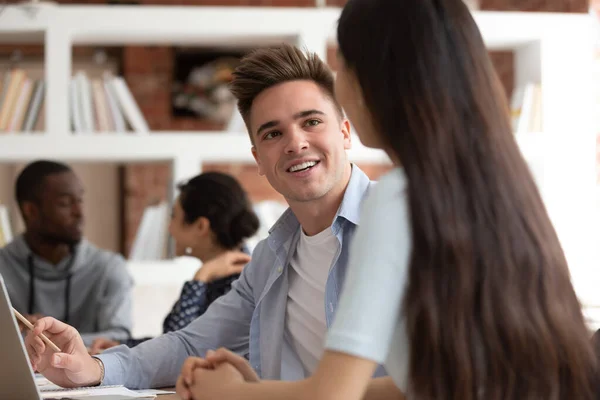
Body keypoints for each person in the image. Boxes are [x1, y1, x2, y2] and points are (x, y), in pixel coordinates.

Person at [173, 0, 600, 399]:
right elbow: (423, 385)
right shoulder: (498, 184)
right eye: (273, 132)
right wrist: (261, 390)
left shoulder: (398, 199)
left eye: (344, 68)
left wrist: (230, 393)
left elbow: (333, 393)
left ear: (381, 81)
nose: (339, 85)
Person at [24, 43, 387, 390]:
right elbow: (190, 344)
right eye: (273, 133)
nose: (295, 143)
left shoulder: (403, 227)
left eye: (311, 122)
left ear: (343, 133)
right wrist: (94, 367)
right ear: (258, 159)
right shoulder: (271, 259)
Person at [89, 172, 257, 354]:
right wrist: (121, 346)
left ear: (201, 226)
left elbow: (175, 351)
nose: (169, 228)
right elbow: (175, 339)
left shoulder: (240, 282)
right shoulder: (221, 276)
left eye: (174, 216)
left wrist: (200, 278)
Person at [0, 160, 133, 347]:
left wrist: (54, 337)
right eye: (65, 203)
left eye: (80, 200)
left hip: (90, 374)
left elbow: (119, 337)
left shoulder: (109, 268)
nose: (79, 212)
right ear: (30, 211)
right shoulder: (3, 268)